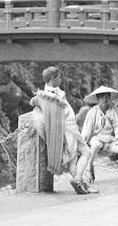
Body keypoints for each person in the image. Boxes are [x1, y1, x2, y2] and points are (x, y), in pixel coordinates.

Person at [30, 66, 96, 194]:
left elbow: (34, 101)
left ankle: (83, 184)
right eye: (59, 77)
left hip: (68, 128)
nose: (61, 79)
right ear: (53, 78)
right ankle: (77, 179)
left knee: (72, 159)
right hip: (67, 129)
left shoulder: (50, 93)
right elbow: (36, 103)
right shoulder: (48, 95)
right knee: (86, 152)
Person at [80, 86, 118, 184]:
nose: (105, 99)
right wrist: (83, 141)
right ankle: (89, 169)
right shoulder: (92, 112)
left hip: (112, 141)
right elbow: (87, 129)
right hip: (97, 138)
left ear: (110, 98)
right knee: (94, 146)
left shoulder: (115, 110)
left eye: (107, 97)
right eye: (102, 97)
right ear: (98, 99)